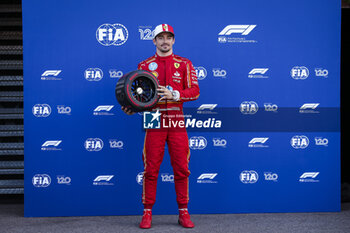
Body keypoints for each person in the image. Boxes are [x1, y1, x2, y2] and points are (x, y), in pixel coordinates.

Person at [121, 23, 200, 229]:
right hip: (153, 118)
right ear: (154, 40)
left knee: (182, 167)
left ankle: (183, 211)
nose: (165, 41)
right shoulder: (144, 65)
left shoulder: (184, 64)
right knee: (151, 168)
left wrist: (176, 94)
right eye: (160, 37)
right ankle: (147, 213)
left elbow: (195, 91)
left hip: (175, 118)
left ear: (173, 40)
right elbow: (138, 95)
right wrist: (132, 107)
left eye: (168, 37)